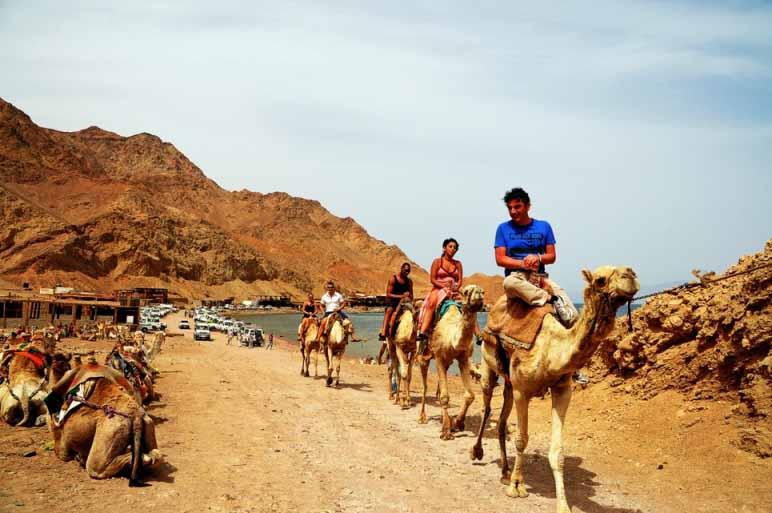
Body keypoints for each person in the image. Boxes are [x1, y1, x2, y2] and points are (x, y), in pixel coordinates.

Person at [494, 187, 585, 383]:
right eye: (510, 208)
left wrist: (537, 257)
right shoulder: (503, 229)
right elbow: (500, 259)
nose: (513, 211)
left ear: (528, 206)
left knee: (573, 316)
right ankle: (548, 300)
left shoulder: (544, 227)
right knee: (508, 283)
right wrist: (522, 263)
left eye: (517, 207)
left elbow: (551, 256)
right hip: (517, 278)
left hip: (540, 277)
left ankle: (573, 366)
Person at [417, 238, 463, 353]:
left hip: (453, 289)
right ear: (444, 248)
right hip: (438, 288)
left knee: (467, 305)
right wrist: (443, 287)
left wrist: (456, 288)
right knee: (432, 303)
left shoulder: (458, 264)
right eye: (450, 246)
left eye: (455, 248)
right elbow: (432, 279)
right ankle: (423, 332)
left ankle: (477, 334)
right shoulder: (437, 262)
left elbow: (460, 280)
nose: (453, 249)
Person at [377, 262, 414, 364]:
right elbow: (388, 294)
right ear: (401, 268)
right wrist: (401, 296)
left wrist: (409, 299)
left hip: (405, 303)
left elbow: (411, 295)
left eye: (408, 270)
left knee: (415, 315)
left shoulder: (409, 282)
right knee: (389, 311)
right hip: (393, 301)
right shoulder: (393, 279)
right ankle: (384, 332)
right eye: (405, 270)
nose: (407, 272)